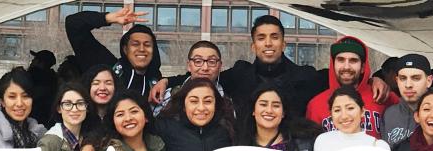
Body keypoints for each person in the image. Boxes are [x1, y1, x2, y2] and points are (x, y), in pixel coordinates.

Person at [152, 16, 391, 119]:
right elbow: (205, 74)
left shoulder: (306, 77)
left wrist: (374, 78)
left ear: (284, 43)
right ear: (254, 44)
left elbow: (345, 74)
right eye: (262, 38)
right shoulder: (238, 75)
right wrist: (169, 81)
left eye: (274, 37)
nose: (268, 43)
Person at [306, 36, 400, 139]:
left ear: (363, 67)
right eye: (341, 60)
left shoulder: (383, 96)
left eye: (353, 60)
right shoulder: (315, 105)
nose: (346, 67)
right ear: (333, 65)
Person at [65, 7, 161, 98]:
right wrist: (108, 18)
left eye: (147, 45)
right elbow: (73, 24)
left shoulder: (158, 83)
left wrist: (165, 81)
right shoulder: (106, 68)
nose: (141, 49)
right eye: (135, 44)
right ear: (125, 49)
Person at [153, 41, 225, 116]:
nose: (205, 68)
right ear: (189, 66)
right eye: (198, 61)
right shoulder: (168, 96)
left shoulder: (229, 96)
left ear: (220, 66)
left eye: (212, 62)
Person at [28, 50, 59, 129]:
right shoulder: (54, 79)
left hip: (32, 118)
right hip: (47, 120)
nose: (32, 61)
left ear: (40, 62)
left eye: (35, 59)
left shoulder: (32, 75)